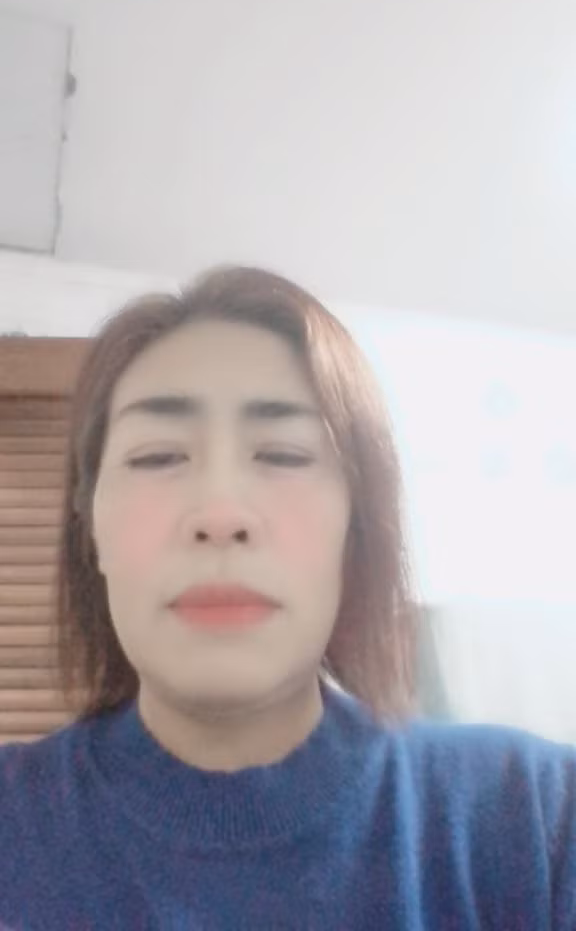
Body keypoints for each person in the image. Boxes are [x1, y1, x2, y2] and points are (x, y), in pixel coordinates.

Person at [0, 264, 574, 930]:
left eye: (283, 455)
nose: (220, 513)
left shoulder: (536, 820)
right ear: (90, 529)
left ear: (356, 526)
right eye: (157, 456)